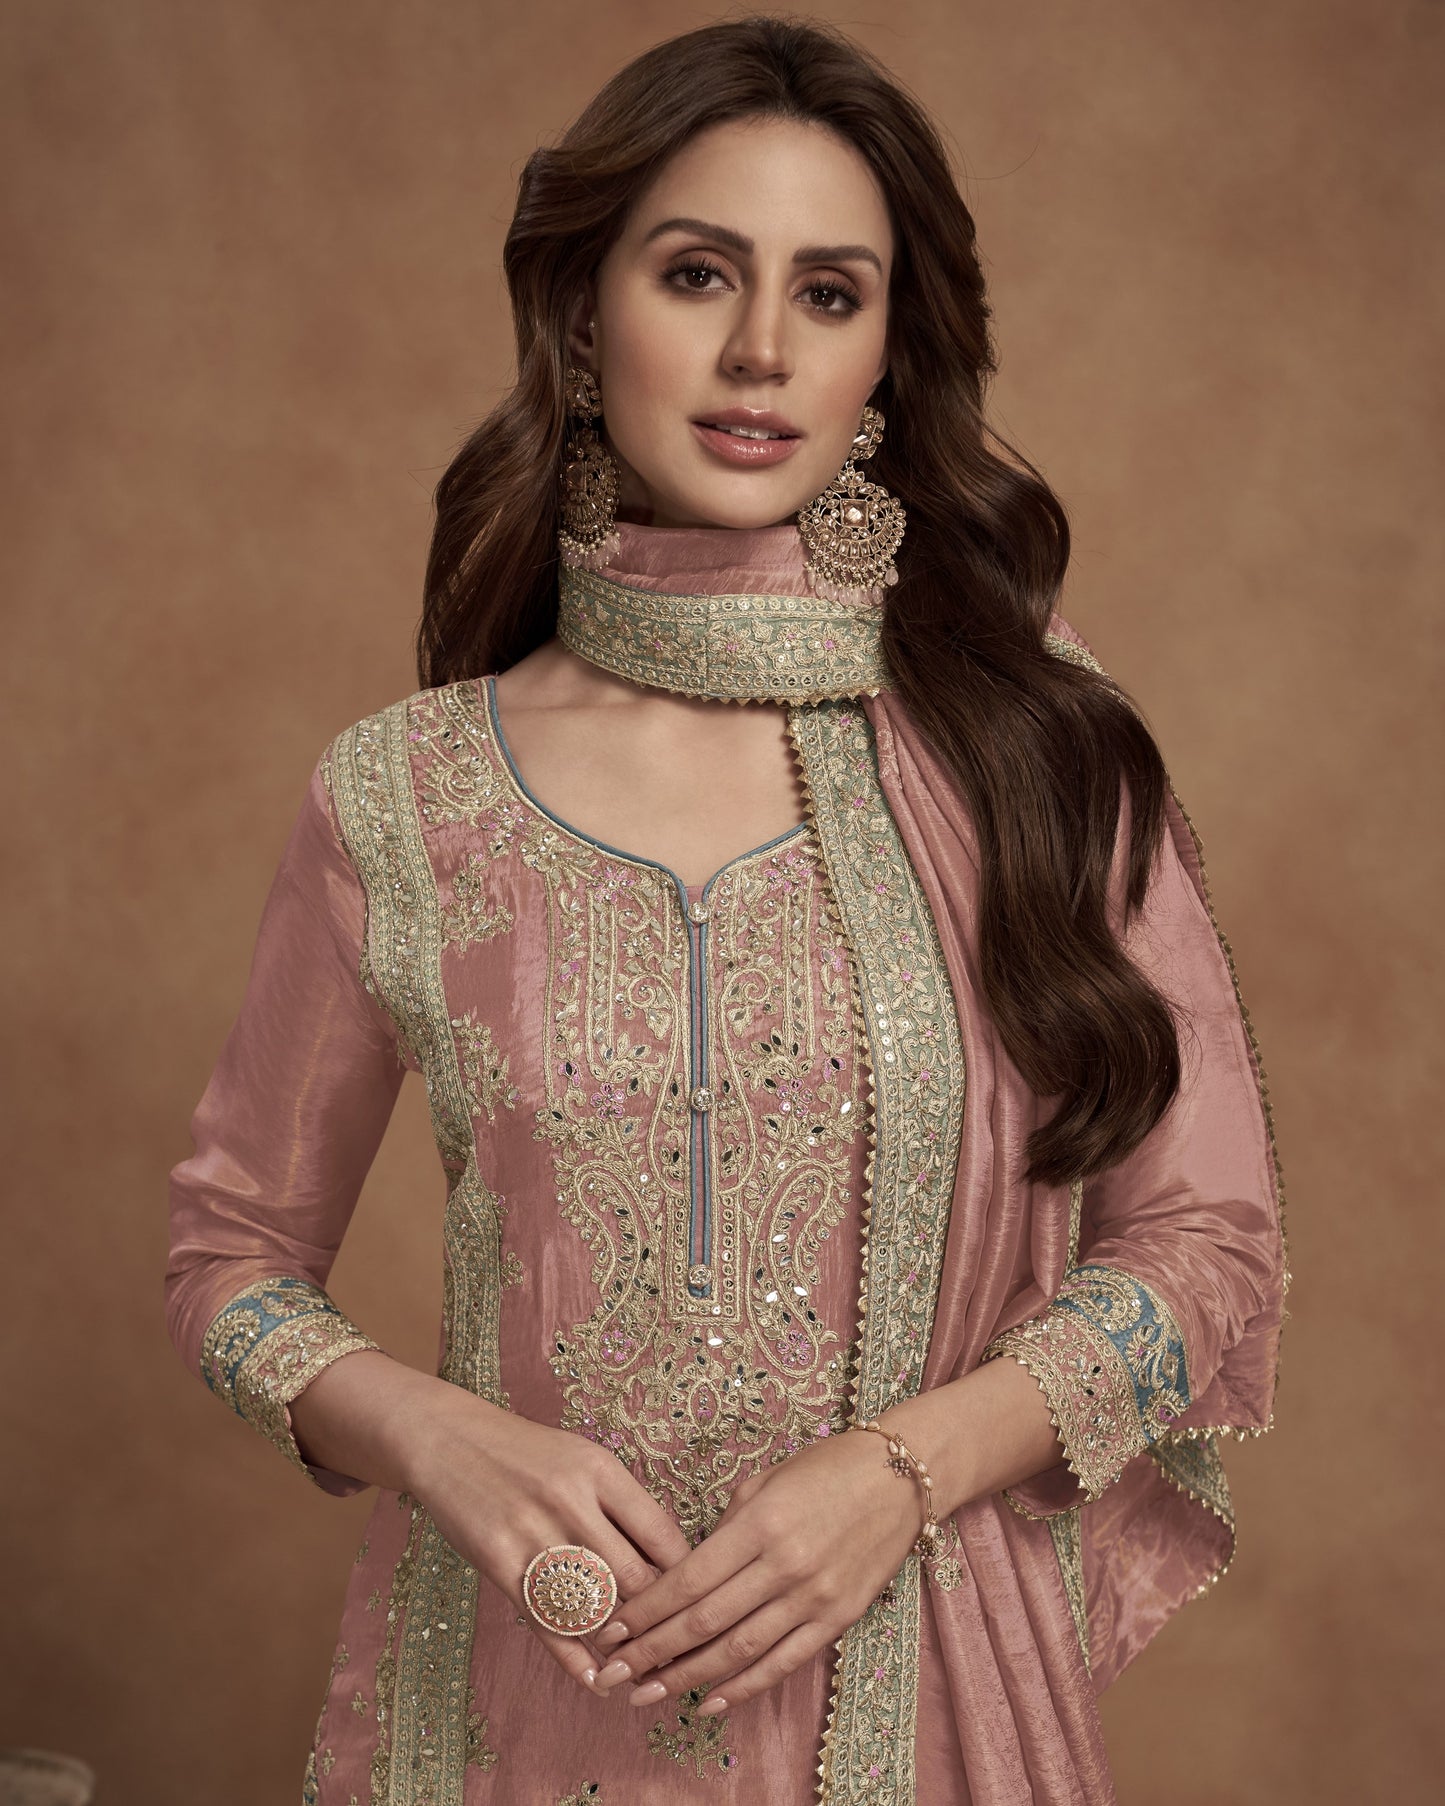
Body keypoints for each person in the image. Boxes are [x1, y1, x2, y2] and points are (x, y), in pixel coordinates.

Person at [164, 17, 1289, 1805]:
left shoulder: (1040, 751)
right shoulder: (405, 795)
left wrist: (902, 1472)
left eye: (828, 294)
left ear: (887, 355)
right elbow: (228, 1261)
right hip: (518, 1700)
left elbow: (1206, 1251)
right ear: (581, 311)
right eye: (697, 273)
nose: (761, 347)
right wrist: (436, 1433)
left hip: (926, 1698)